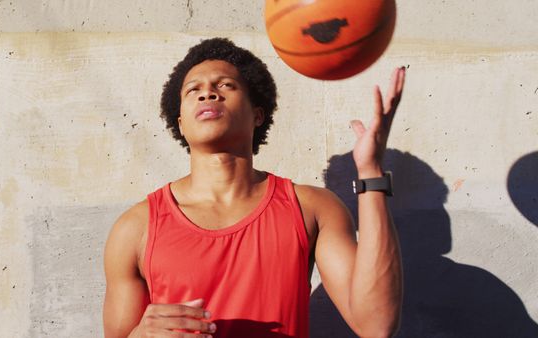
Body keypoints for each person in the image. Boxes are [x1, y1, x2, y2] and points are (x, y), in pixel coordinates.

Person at [103, 38, 404, 338]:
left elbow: (376, 325)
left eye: (225, 86)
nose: (207, 92)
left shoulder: (312, 208)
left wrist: (371, 172)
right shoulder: (136, 227)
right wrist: (140, 336)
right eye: (193, 89)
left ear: (257, 114)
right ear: (180, 123)